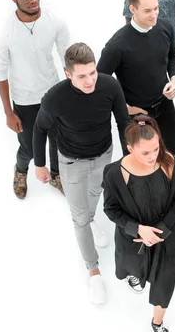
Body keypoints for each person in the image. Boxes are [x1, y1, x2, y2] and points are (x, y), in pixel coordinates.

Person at [33, 43, 130, 304]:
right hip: (71, 162)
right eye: (81, 76)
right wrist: (40, 164)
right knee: (78, 218)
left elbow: (123, 122)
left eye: (92, 73)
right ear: (68, 74)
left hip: (103, 156)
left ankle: (90, 219)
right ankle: (94, 270)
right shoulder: (55, 97)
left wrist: (129, 157)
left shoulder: (110, 86)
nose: (89, 81)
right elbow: (40, 128)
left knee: (96, 192)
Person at [103, 115, 175, 332]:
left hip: (167, 236)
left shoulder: (170, 163)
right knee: (132, 264)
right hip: (133, 238)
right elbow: (111, 209)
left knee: (165, 282)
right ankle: (136, 274)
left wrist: (160, 231)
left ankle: (157, 322)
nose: (153, 156)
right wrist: (137, 229)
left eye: (156, 149)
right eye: (145, 152)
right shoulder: (114, 173)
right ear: (130, 149)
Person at [0, 0, 70, 198]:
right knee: (28, 147)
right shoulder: (6, 34)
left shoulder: (55, 21)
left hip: (53, 95)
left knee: (58, 141)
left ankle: (56, 175)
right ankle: (20, 170)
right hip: (25, 100)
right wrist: (8, 112)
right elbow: (0, 74)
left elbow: (67, 57)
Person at [99, 0, 175, 155]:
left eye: (156, 8)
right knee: (137, 161)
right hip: (136, 115)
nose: (154, 15)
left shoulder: (166, 27)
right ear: (133, 9)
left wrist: (173, 79)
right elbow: (100, 83)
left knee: (169, 153)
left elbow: (173, 56)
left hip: (165, 106)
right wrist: (125, 109)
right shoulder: (117, 45)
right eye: (147, 10)